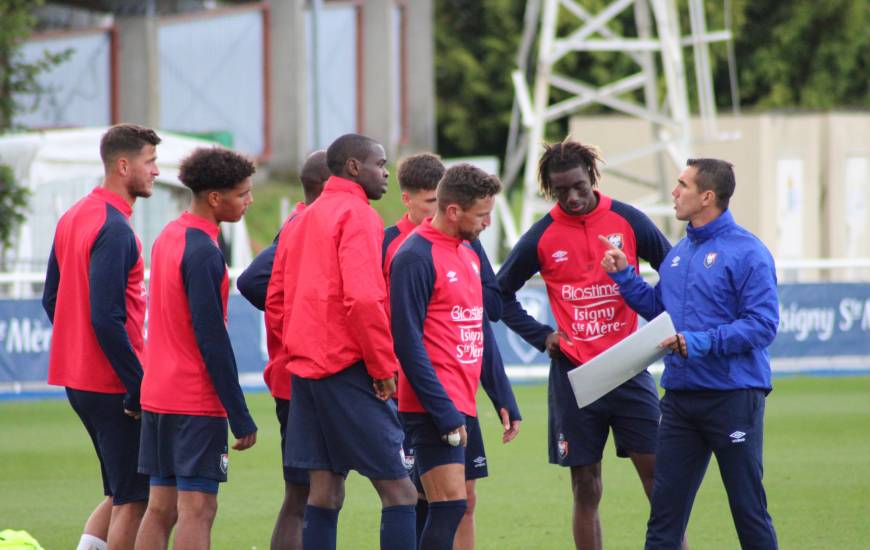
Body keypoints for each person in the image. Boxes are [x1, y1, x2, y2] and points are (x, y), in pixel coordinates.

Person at [496, 138, 675, 550]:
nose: (572, 197)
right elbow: (499, 294)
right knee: (586, 486)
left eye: (578, 186)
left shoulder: (629, 220)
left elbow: (673, 268)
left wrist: (657, 318)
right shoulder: (542, 235)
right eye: (561, 191)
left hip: (629, 369)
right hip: (574, 377)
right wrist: (542, 336)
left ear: (593, 176)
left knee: (660, 481)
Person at [600, 158, 779, 550]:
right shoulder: (678, 254)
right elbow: (663, 312)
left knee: (748, 510)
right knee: (663, 518)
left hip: (732, 397)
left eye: (683, 185)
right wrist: (625, 277)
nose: (674, 192)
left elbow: (763, 325)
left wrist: (698, 342)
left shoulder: (748, 252)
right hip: (680, 401)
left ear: (707, 197)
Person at [278, 133, 418, 550]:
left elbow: (283, 295)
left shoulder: (305, 217)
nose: (387, 172)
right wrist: (382, 368)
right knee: (401, 492)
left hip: (305, 372)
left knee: (324, 493)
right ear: (354, 167)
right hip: (345, 369)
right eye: (379, 163)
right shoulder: (357, 215)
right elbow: (362, 297)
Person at [383, 154, 521, 549]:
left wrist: (501, 394)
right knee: (446, 506)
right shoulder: (413, 255)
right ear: (454, 210)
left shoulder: (468, 252)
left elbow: (478, 325)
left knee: (456, 505)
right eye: (482, 215)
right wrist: (443, 411)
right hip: (432, 405)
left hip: (463, 401)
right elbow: (406, 342)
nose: (487, 223)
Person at [42, 124, 160, 550]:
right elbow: (107, 318)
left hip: (81, 380)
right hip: (112, 383)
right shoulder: (114, 228)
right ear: (123, 165)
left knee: (119, 489)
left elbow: (50, 298)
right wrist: (137, 385)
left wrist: (78, 347)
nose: (156, 171)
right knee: (135, 497)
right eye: (150, 162)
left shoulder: (74, 215)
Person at [135, 147, 258, 550]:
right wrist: (240, 416)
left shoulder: (169, 236)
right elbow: (211, 338)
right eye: (242, 194)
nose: (249, 201)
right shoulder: (205, 252)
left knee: (159, 509)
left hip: (158, 396)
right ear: (215, 199)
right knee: (198, 510)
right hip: (193, 401)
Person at [236, 150, 329, 550]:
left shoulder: (307, 222)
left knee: (315, 492)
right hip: (301, 379)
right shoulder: (304, 225)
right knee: (305, 493)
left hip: (305, 378)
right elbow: (252, 280)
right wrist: (297, 318)